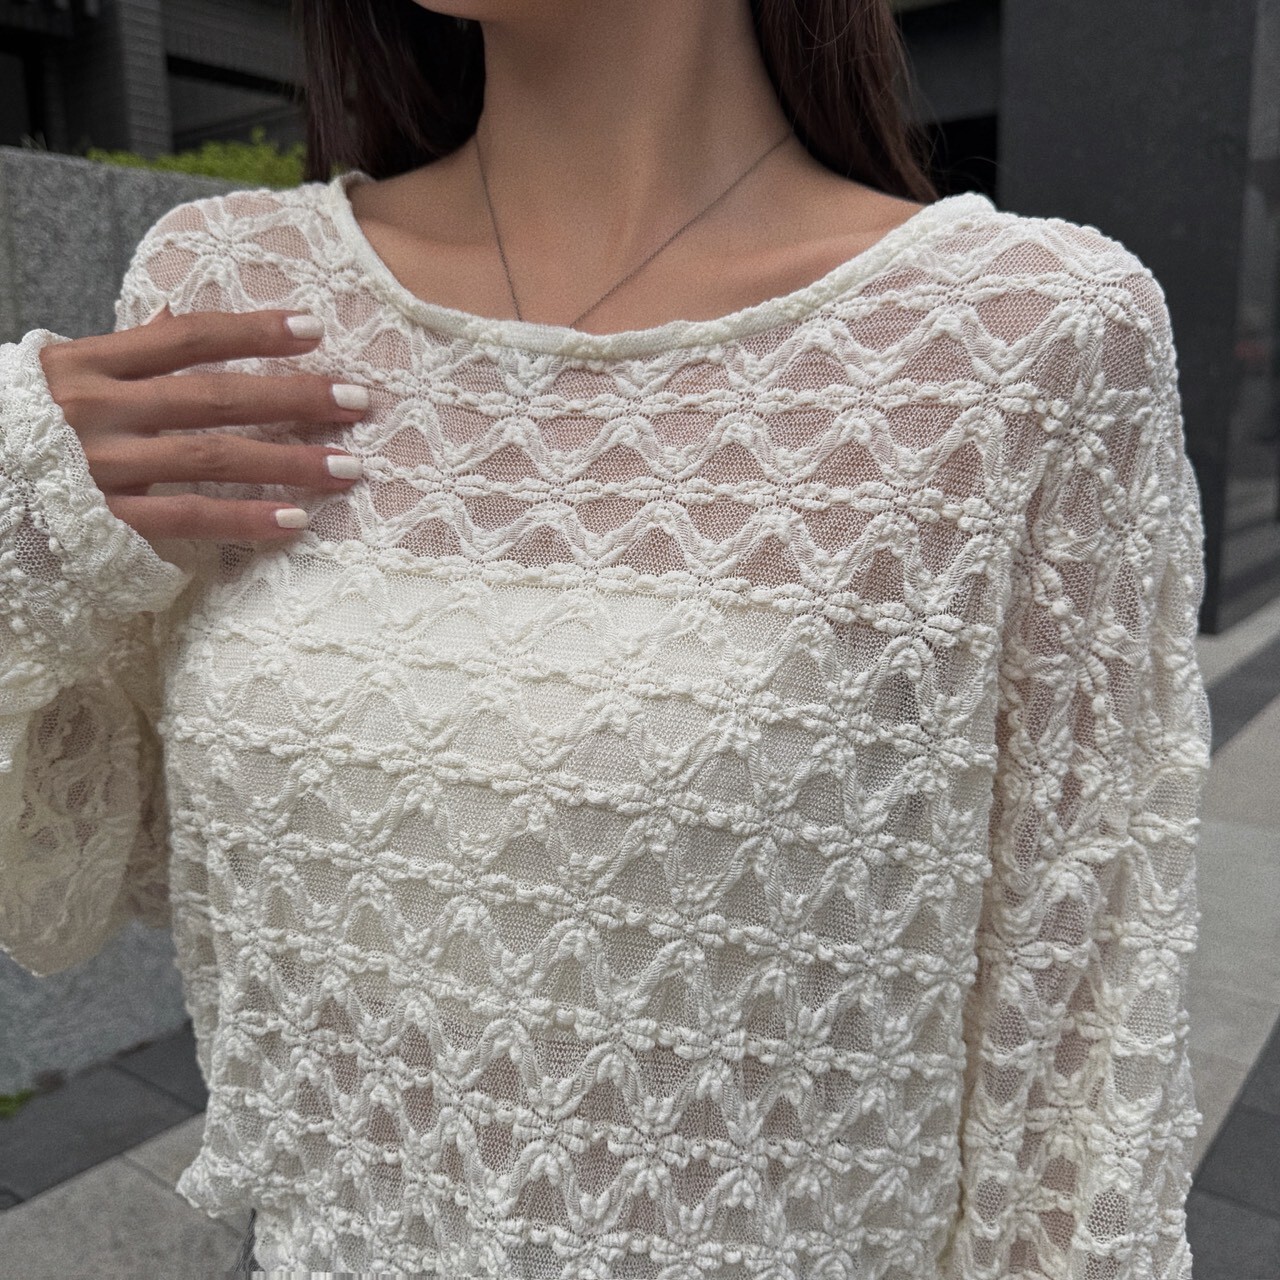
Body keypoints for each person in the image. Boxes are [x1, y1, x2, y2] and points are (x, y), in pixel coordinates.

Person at [0, 1, 1212, 1276]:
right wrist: (23, 521)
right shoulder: (229, 285)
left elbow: (1076, 1078)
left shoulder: (1026, 337)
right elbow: (76, 860)